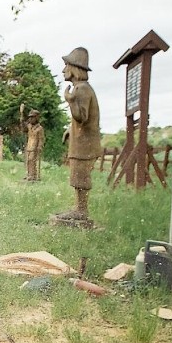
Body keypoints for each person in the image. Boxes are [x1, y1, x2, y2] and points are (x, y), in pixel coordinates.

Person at [57, 47, 102, 222]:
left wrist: (70, 100)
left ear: (74, 67)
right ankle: (78, 207)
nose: (63, 70)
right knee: (77, 175)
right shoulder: (81, 88)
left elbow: (81, 117)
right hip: (81, 142)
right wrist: (70, 131)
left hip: (85, 145)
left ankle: (81, 211)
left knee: (81, 177)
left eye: (66, 65)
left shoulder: (81, 89)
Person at [20, 105, 44, 181]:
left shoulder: (40, 128)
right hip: (29, 146)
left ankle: (33, 175)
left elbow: (41, 139)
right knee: (28, 161)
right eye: (30, 117)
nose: (30, 119)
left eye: (32, 117)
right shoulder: (29, 126)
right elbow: (23, 128)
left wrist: (40, 146)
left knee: (32, 161)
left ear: (36, 118)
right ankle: (28, 174)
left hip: (35, 147)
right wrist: (21, 115)